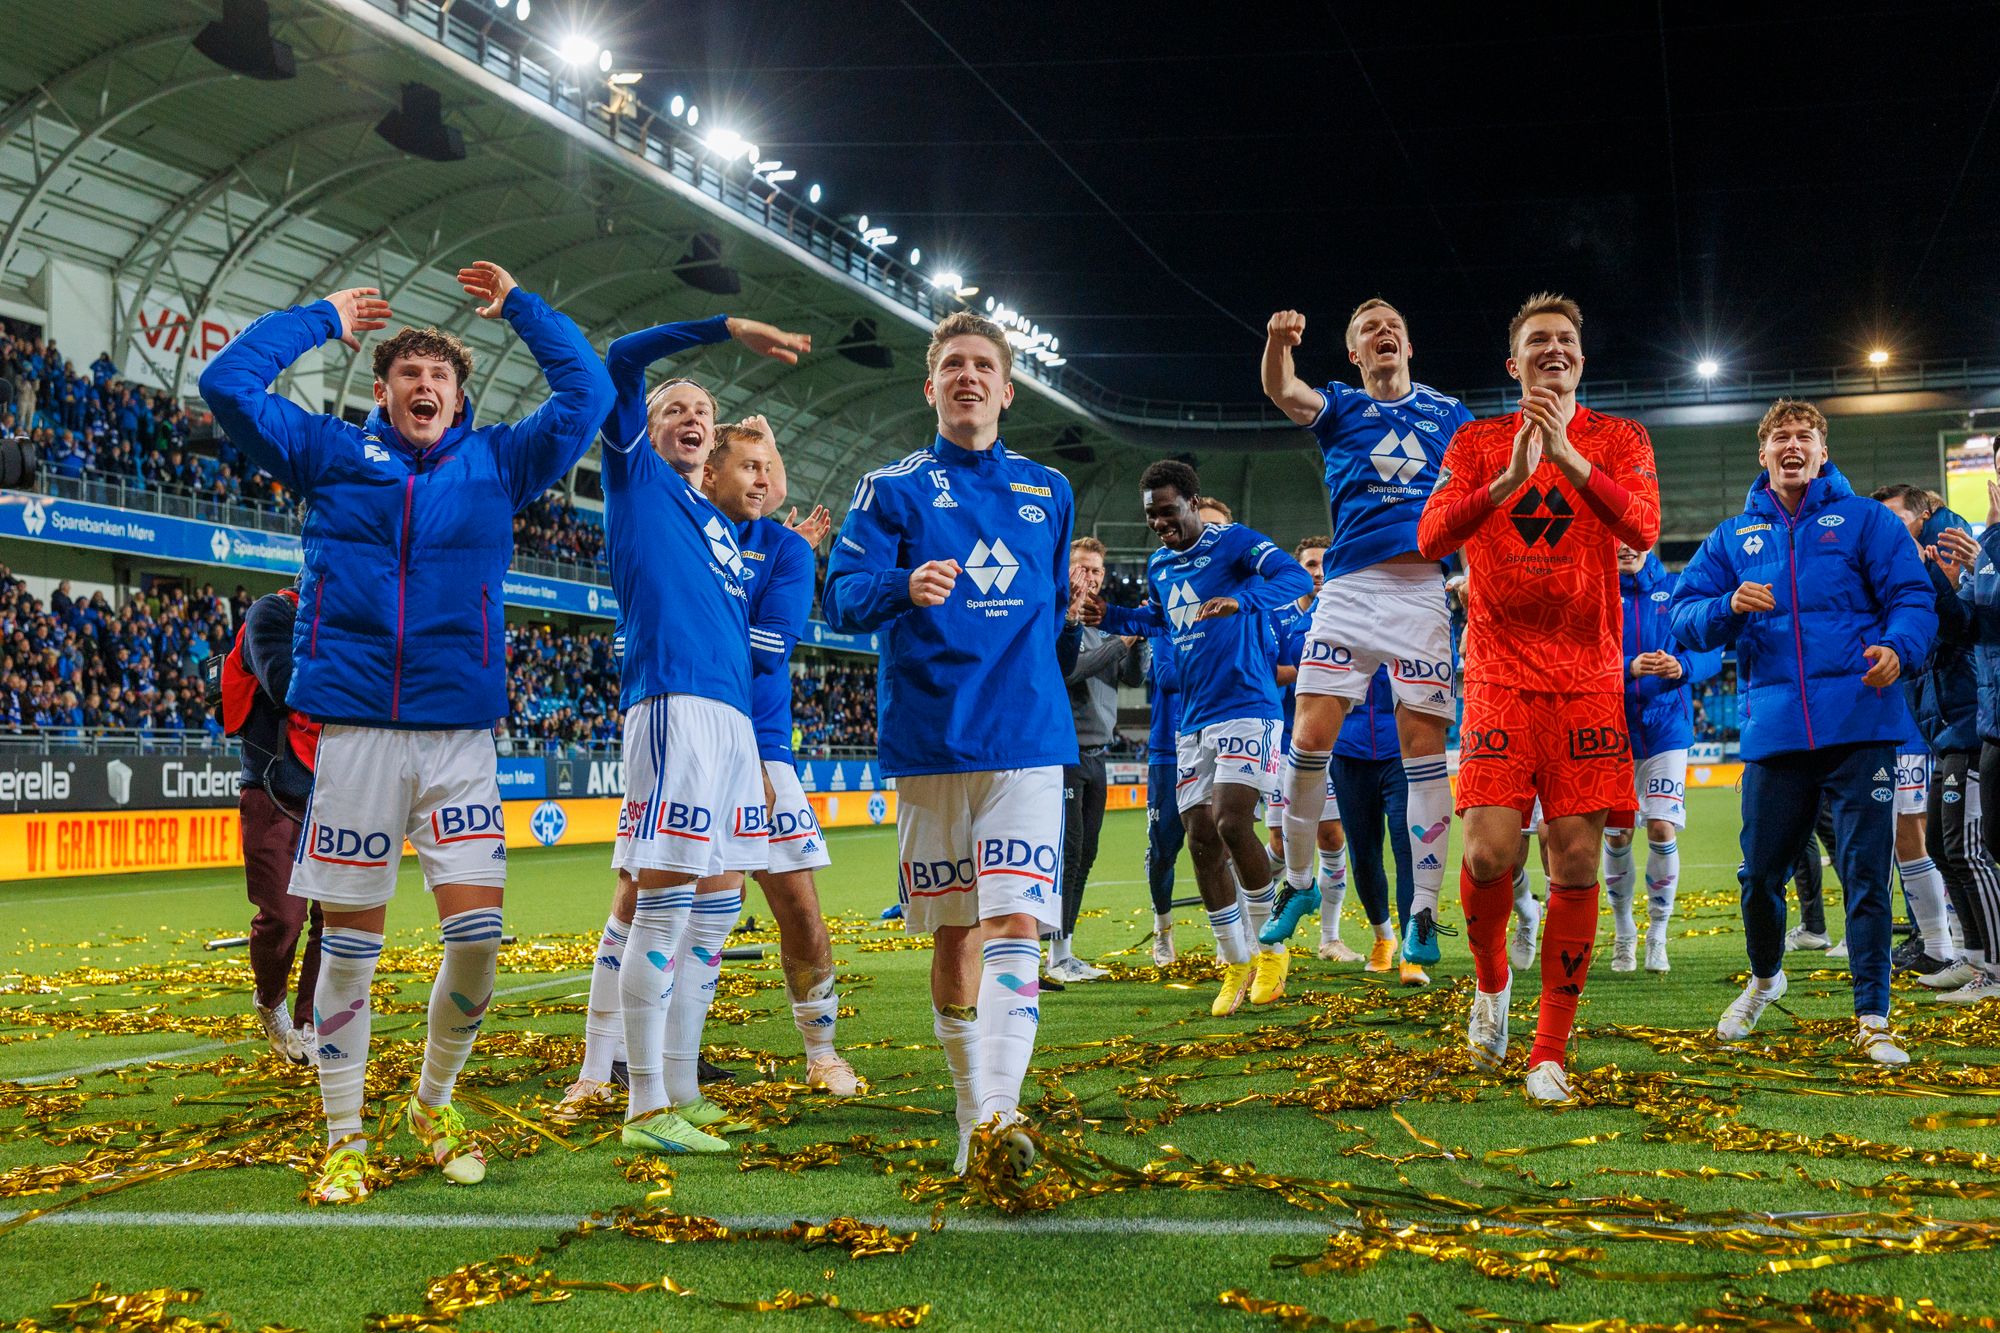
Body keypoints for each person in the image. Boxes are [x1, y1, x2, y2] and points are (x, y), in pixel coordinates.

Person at [199, 262, 616, 1203]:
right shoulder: (333, 455)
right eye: (407, 376)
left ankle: (432, 1101)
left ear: (460, 396)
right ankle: (344, 1133)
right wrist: (319, 317)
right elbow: (225, 384)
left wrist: (520, 308)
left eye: (440, 378)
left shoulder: (499, 463)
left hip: (459, 738)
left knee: (478, 937)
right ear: (382, 391)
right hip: (352, 734)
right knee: (350, 948)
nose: (424, 388)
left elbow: (588, 390)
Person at [822, 309, 1080, 1176]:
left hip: (1026, 737)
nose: (968, 377)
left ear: (1008, 389)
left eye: (983, 366)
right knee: (954, 934)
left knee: (1014, 918)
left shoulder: (1050, 490)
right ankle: (974, 1114)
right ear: (930, 387)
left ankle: (1002, 1108)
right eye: (953, 366)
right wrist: (903, 583)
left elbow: (1046, 602)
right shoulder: (887, 490)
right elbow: (843, 595)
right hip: (932, 740)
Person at [1417, 292, 1661, 1103]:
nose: (1553, 351)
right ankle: (1492, 986)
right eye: (1537, 343)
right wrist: (1513, 476)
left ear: (1580, 361)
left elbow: (1643, 527)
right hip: (1495, 674)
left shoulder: (1619, 438)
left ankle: (1549, 1049)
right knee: (1488, 853)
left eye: (1565, 341)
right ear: (1513, 364)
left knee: (1578, 856)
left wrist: (1567, 457)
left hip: (1588, 677)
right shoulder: (1478, 440)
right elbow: (1430, 536)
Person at [584, 310, 811, 1155]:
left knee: (714, 913)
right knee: (665, 904)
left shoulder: (716, 523)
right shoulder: (636, 478)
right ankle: (643, 1105)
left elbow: (767, 494)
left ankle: (681, 1083)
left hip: (727, 726)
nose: (691, 418)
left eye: (703, 412)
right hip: (673, 707)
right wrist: (723, 329)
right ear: (647, 428)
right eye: (675, 407)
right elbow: (620, 352)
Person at [1672, 398, 1934, 1065]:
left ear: (1823, 452)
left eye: (1805, 436)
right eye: (1781, 437)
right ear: (1763, 455)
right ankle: (1766, 977)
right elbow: (1684, 614)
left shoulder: (1867, 521)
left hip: (1862, 724)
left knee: (1866, 876)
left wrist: (1900, 647)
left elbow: (1912, 596)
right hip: (1777, 734)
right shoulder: (1732, 538)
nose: (1793, 445)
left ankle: (1872, 1016)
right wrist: (1726, 605)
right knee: (1759, 875)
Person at [1261, 301, 1471, 970]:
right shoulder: (1341, 406)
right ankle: (1297, 885)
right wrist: (1278, 343)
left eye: (1392, 325)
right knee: (1307, 737)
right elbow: (1282, 390)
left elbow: (1478, 492)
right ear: (1355, 352)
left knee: (1424, 754)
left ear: (1408, 342)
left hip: (1420, 592)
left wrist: (1469, 570)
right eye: (1367, 328)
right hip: (1348, 591)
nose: (1383, 332)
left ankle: (1425, 914)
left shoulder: (1448, 414)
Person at [1088, 461, 1314, 1013]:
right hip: (1193, 720)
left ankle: (1270, 948)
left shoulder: (1235, 544)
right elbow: (1164, 619)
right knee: (1199, 839)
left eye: (1168, 511)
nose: (1160, 523)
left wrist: (1245, 600)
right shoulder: (1162, 563)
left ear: (1191, 500)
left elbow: (1297, 578)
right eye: (1151, 516)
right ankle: (1234, 961)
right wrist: (1111, 612)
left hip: (1247, 705)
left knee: (1232, 821)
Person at [702, 416, 862, 1092]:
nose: (763, 478)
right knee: (670, 909)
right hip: (681, 741)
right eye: (749, 466)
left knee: (797, 905)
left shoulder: (788, 552)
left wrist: (693, 637)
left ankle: (821, 1051)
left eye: (770, 468)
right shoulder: (681, 531)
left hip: (761, 748)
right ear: (710, 474)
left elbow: (768, 655)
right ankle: (658, 1054)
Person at [1872, 484, 1978, 989]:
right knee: (1931, 835)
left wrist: (1937, 574)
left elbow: (1955, 629)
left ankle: (1946, 945)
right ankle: (1949, 945)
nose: (1887, 525)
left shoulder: (1946, 545)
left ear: (1926, 513)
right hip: (1931, 718)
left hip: (1943, 722)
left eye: (1895, 515)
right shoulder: (1911, 553)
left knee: (1934, 836)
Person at [1606, 543, 1721, 973]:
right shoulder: (1596, 590)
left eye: (1634, 536)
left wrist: (1683, 666)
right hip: (1611, 734)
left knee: (1660, 825)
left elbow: (1710, 646)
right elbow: (1578, 655)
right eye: (1615, 535)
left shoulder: (1677, 590)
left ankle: (1657, 933)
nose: (1624, 545)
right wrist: (1629, 667)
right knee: (1616, 836)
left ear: (1650, 538)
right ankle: (1624, 934)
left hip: (1666, 730)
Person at [220, 583, 322, 1065]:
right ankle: (270, 1001)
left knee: (335, 920)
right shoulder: (272, 613)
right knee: (284, 917)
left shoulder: (348, 624)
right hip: (271, 787)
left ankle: (311, 1020)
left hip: (334, 792)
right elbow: (283, 682)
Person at [1259, 537, 1361, 965]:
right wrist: (1311, 671)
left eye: (1325, 563)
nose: (1319, 571)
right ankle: (1258, 917)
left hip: (1328, 745)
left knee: (1332, 835)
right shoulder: (1277, 616)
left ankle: (1331, 938)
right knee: (1281, 843)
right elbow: (1264, 672)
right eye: (1311, 564)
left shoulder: (1341, 615)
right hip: (1281, 743)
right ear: (1298, 569)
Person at [1053, 536, 1146, 984]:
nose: (1089, 578)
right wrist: (1122, 640)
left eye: (1095, 571)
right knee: (1067, 854)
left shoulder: (1106, 627)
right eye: (1081, 568)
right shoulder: (1059, 621)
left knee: (1086, 854)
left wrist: (1139, 638)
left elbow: (1131, 676)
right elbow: (1072, 669)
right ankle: (1052, 954)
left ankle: (1064, 950)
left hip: (1097, 755)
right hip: (1065, 755)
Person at [1934, 484, 2000, 1002]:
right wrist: (1944, 582)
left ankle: (1994, 969)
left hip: (1969, 727)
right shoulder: (1984, 551)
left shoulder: (1984, 551)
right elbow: (1966, 626)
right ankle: (1979, 959)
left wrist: (1982, 561)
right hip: (1977, 723)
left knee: (1971, 850)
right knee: (1959, 847)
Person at [1325, 665, 1413, 971]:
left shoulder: (1408, 618)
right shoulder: (1335, 617)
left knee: (1409, 850)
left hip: (1401, 749)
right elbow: (1301, 649)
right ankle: (1383, 938)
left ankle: (1411, 949)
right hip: (1349, 751)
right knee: (1363, 857)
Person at [1144, 628, 1186, 967]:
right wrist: (1218, 662)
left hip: (1210, 741)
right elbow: (1167, 676)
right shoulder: (1164, 627)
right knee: (1162, 851)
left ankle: (1230, 936)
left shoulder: (1225, 618)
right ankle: (1163, 930)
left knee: (1220, 844)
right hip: (1168, 752)